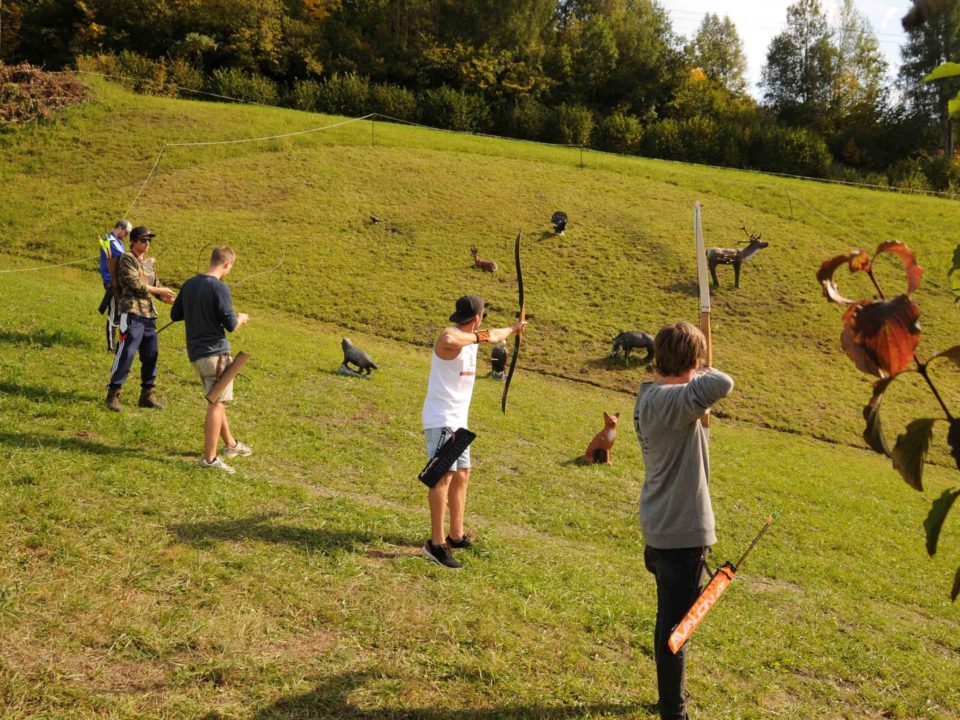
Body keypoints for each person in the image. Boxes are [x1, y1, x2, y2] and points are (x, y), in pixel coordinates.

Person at [632, 322, 734, 720]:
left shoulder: (653, 397)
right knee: (677, 631)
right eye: (696, 360)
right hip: (678, 533)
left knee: (669, 622)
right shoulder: (671, 401)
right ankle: (673, 711)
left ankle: (667, 699)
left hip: (663, 527)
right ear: (691, 361)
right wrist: (705, 369)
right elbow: (722, 383)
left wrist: (695, 370)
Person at [420, 294, 526, 569]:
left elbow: (494, 335)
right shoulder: (451, 335)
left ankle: (455, 534)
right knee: (443, 476)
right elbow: (448, 341)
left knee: (462, 474)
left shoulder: (475, 335)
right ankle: (436, 543)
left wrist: (514, 329)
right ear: (477, 318)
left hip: (458, 421)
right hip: (441, 419)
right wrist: (481, 337)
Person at [170, 245, 251, 474]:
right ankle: (210, 459)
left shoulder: (189, 284)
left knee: (217, 398)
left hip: (196, 354)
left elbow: (175, 315)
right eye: (230, 267)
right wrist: (242, 318)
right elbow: (231, 326)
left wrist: (193, 304)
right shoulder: (220, 288)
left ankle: (231, 445)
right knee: (217, 404)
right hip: (216, 353)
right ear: (226, 264)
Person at [105, 226, 176, 412]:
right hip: (132, 312)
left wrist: (172, 299)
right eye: (143, 240)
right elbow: (135, 284)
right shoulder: (127, 258)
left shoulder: (149, 263)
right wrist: (160, 291)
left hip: (149, 315)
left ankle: (146, 395)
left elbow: (156, 286)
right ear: (134, 241)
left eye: (149, 241)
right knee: (127, 353)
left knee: (151, 355)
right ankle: (113, 394)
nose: (147, 244)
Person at [97, 220, 131, 352]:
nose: (126, 235)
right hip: (112, 282)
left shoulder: (118, 242)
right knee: (113, 313)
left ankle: (120, 343)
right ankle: (111, 347)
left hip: (118, 282)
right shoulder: (109, 241)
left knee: (120, 312)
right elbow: (123, 258)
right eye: (126, 232)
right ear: (120, 229)